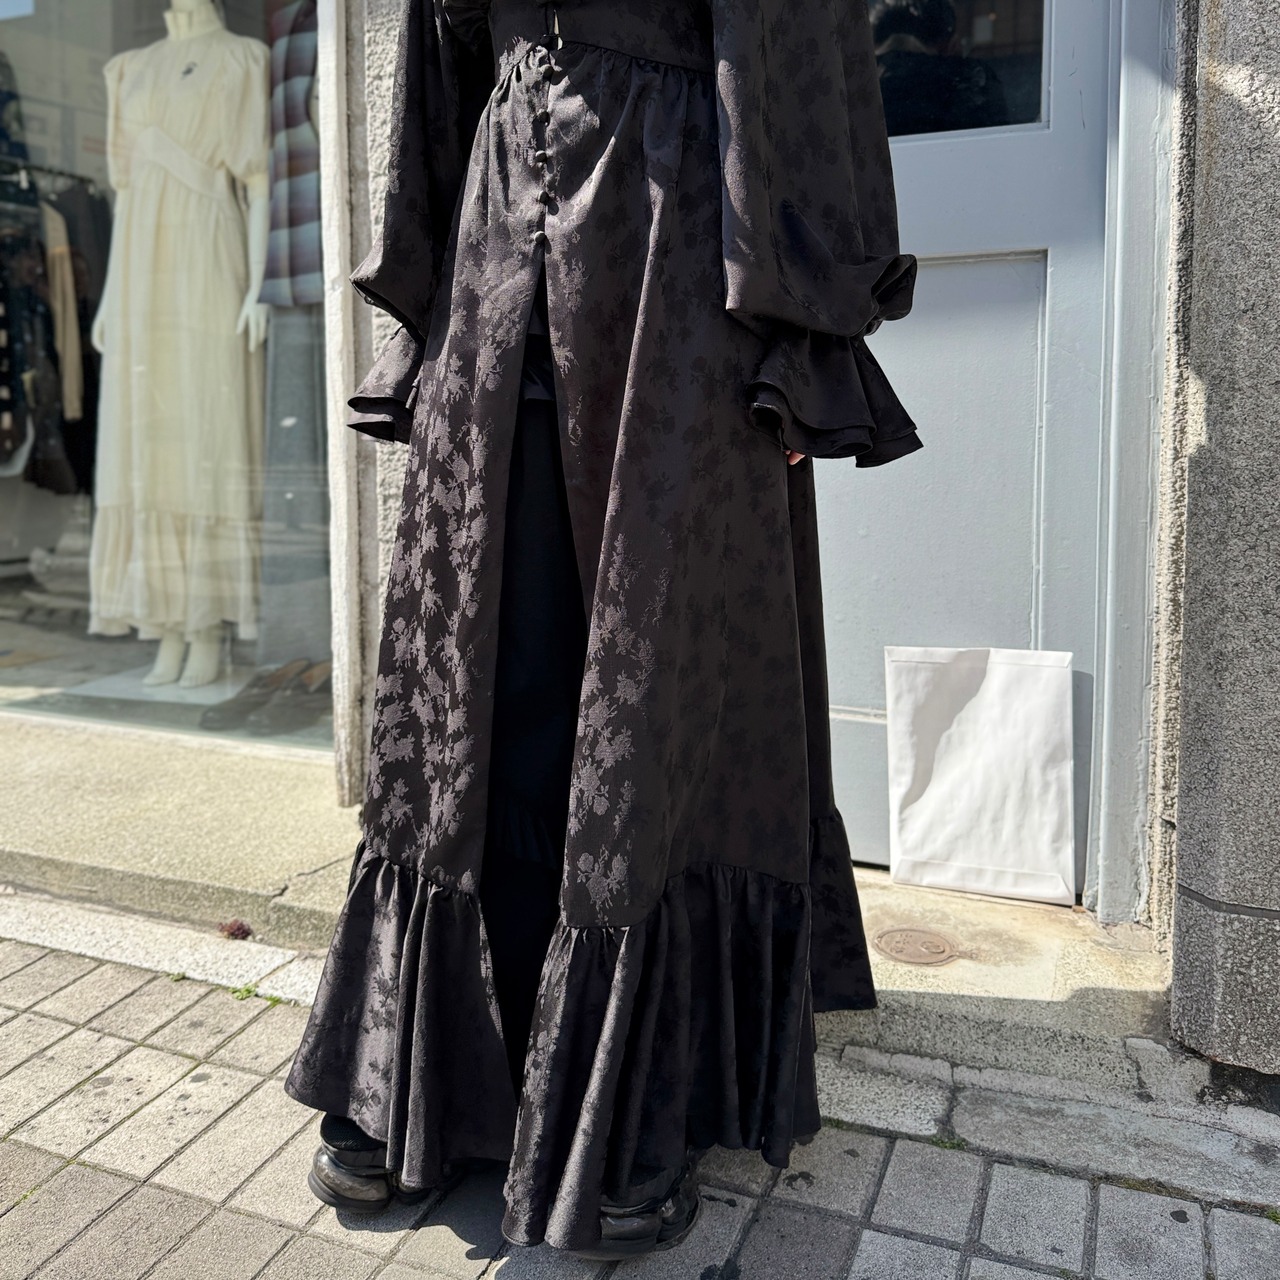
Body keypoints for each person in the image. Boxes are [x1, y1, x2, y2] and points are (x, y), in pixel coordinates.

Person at [284, 0, 921, 1261]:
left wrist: (802, 325)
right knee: (487, 648)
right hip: (497, 238)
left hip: (677, 247)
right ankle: (436, 1066)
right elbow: (438, 53)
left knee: (647, 668)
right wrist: (428, 276)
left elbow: (796, 41)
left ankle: (638, 1088)